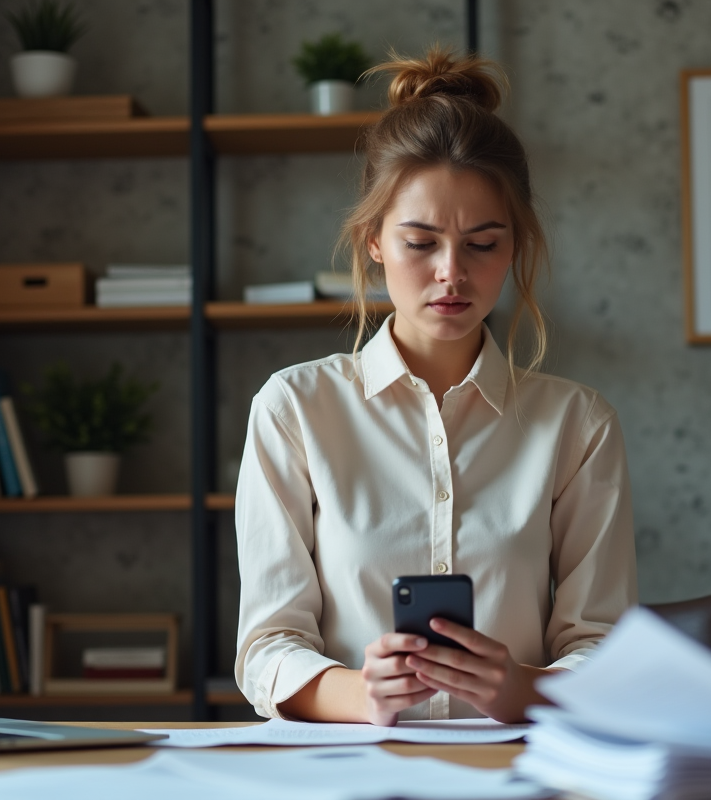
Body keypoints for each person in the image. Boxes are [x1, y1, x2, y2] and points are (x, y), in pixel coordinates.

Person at [234, 46, 637, 726]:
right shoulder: (294, 409)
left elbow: (602, 645)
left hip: (519, 768)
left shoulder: (578, 424)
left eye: (482, 244)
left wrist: (519, 690)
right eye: (420, 242)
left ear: (515, 248)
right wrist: (361, 693)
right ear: (373, 240)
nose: (452, 273)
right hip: (350, 773)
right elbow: (268, 647)